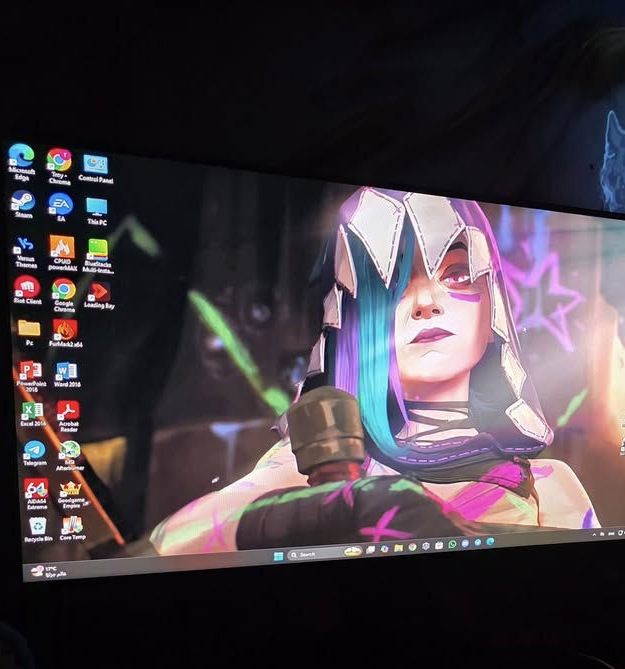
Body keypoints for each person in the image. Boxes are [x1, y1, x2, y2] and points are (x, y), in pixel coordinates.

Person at [150, 188, 596, 554]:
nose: (426, 303)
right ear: (353, 316)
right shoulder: (317, 468)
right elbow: (172, 542)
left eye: (457, 275)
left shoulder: (547, 485)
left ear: (491, 299)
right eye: (392, 283)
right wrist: (341, 506)